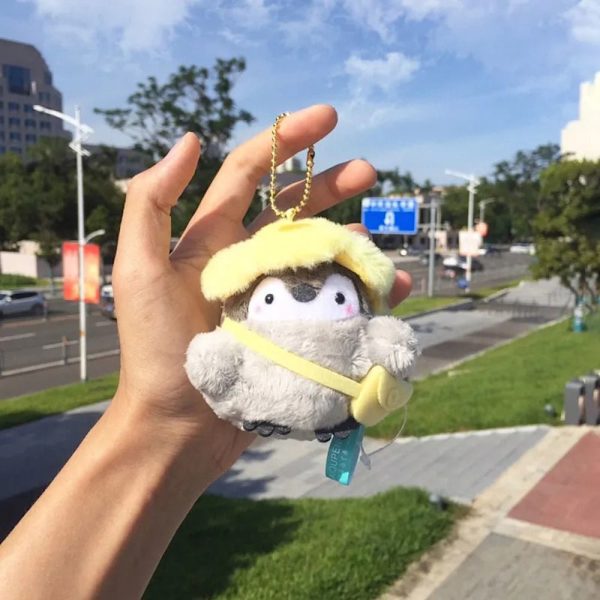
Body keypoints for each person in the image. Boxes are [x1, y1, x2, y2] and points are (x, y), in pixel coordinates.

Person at [0, 105, 411, 598]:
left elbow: (384, 339)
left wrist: (163, 430)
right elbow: (215, 357)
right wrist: (163, 418)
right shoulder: (240, 301)